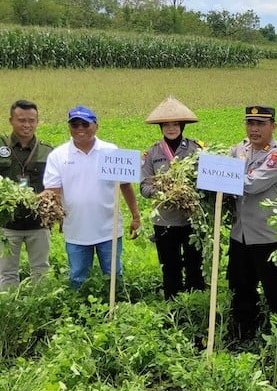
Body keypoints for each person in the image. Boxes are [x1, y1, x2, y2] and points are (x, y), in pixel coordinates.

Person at [43, 105, 141, 289]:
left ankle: (116, 307)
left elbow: (126, 185)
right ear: (69, 128)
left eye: (85, 124)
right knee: (77, 276)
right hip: (76, 229)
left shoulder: (111, 151)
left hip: (108, 228)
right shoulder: (58, 155)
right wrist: (57, 217)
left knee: (113, 274)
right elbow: (52, 192)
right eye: (75, 125)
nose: (80, 130)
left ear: (96, 126)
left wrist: (136, 216)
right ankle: (78, 310)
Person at [227, 105, 277, 342]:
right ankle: (243, 336)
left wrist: (220, 176)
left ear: (273, 126)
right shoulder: (240, 148)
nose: (254, 130)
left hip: (269, 237)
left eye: (260, 124)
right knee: (241, 288)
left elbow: (251, 184)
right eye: (250, 124)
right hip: (241, 235)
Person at [140, 96, 205, 300]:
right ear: (161, 127)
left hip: (192, 219)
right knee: (170, 265)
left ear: (182, 125)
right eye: (166, 125)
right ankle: (173, 302)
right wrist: (163, 192)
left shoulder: (197, 149)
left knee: (195, 262)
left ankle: (196, 301)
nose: (171, 128)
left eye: (175, 124)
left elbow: (206, 180)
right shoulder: (151, 153)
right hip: (165, 220)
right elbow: (144, 186)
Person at [0, 100, 54, 289]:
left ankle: (39, 307)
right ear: (11, 121)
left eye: (31, 121)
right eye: (21, 120)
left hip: (38, 223)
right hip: (7, 224)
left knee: (41, 270)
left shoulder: (47, 152)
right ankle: (9, 311)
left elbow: (55, 185)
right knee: (6, 273)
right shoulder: (1, 147)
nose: (27, 125)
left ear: (37, 121)